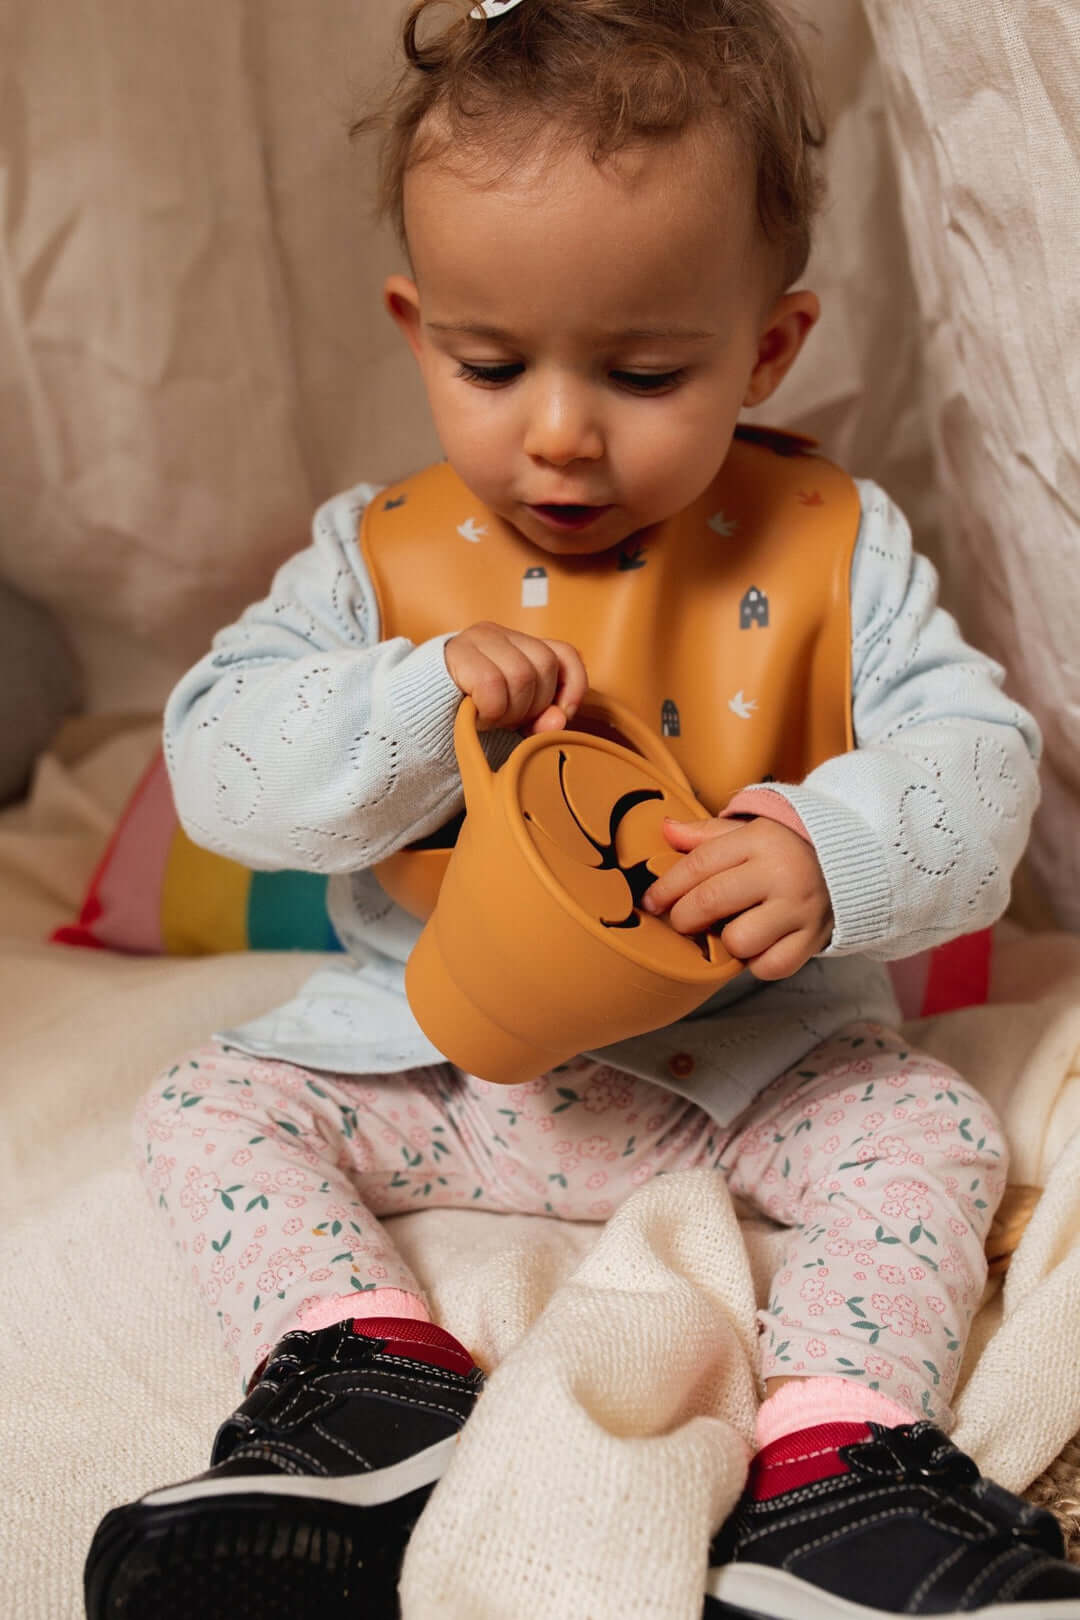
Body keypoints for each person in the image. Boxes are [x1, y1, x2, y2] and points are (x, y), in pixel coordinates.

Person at [84, 1, 1080, 1616]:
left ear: (765, 348)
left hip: (751, 1067)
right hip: (445, 1066)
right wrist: (410, 700)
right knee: (204, 1107)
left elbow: (978, 757)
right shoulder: (376, 555)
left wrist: (834, 853)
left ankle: (837, 1472)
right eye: (491, 363)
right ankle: (360, 1384)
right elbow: (220, 767)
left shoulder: (831, 540)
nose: (559, 429)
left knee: (933, 1131)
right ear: (418, 329)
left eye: (641, 370)